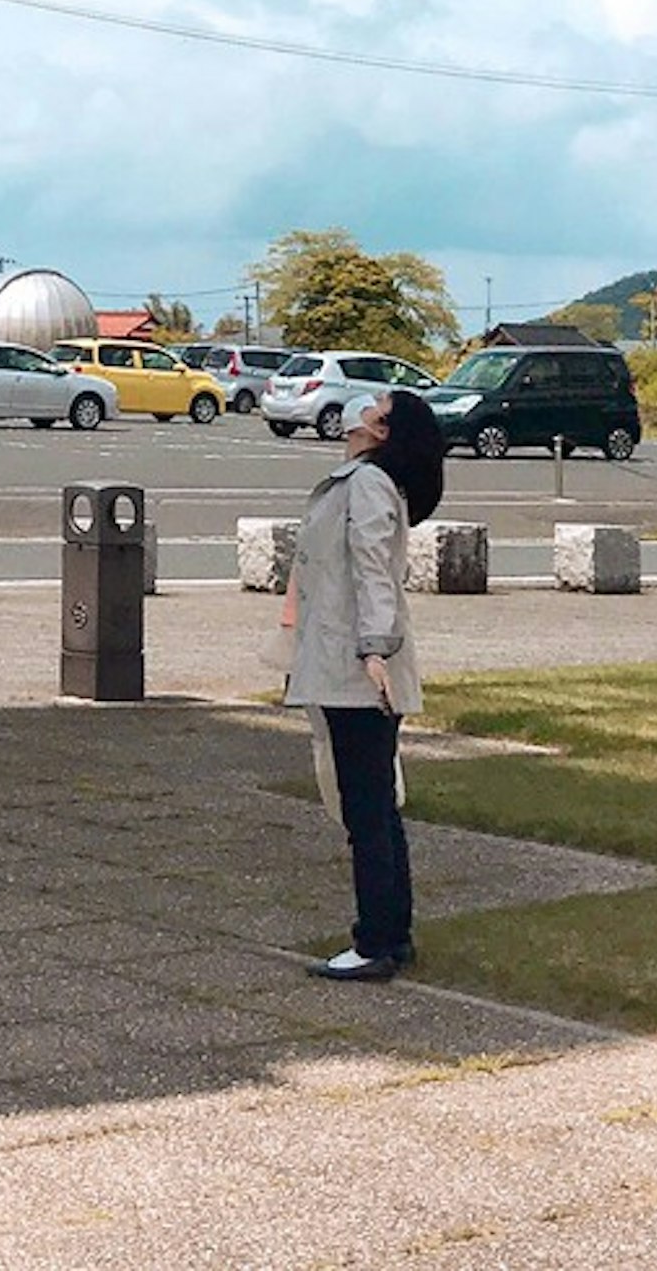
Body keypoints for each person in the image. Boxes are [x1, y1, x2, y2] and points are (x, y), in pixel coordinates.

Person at [281, 384, 446, 980]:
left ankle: (376, 939)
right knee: (373, 805)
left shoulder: (370, 484)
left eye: (376, 406)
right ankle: (391, 933)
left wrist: (375, 651)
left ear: (381, 430)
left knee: (367, 807)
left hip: (357, 669)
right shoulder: (360, 479)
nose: (361, 405)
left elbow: (376, 572)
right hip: (342, 660)